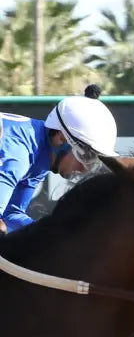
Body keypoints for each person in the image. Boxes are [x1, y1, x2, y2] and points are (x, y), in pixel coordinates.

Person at [0, 84, 119, 234]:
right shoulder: (18, 154)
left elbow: (11, 213)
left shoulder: (41, 156)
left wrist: (53, 234)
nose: (84, 168)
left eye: (92, 160)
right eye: (85, 156)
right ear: (61, 139)